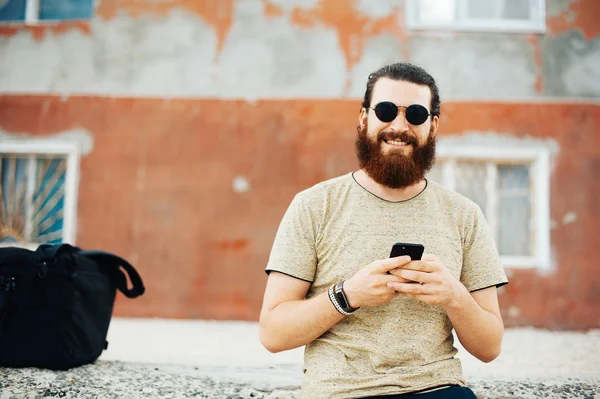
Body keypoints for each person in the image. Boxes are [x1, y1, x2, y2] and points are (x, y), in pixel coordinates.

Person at [258, 62, 508, 399]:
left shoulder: (465, 215)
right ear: (364, 118)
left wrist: (454, 296)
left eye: (416, 114)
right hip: (339, 393)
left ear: (432, 126)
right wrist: (347, 296)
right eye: (386, 110)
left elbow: (490, 346)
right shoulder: (314, 205)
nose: (399, 126)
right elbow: (273, 333)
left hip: (435, 389)